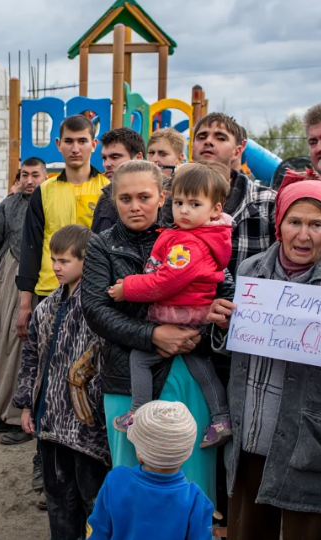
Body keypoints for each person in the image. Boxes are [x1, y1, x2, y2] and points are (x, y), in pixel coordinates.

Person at [206, 180, 321, 540]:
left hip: (308, 436)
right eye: (294, 222)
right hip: (253, 428)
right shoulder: (251, 270)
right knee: (247, 528)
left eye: (316, 225)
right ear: (279, 224)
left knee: (308, 530)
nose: (304, 235)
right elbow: (234, 345)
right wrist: (222, 325)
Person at [81, 160, 221, 504]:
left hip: (186, 372)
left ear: (162, 196)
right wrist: (153, 335)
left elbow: (221, 287)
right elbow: (96, 311)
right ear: (113, 200)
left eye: (144, 196)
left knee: (192, 482)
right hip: (127, 379)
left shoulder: (190, 235)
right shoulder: (101, 245)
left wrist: (203, 327)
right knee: (132, 488)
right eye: (125, 198)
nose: (134, 206)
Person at [108, 162, 233, 448]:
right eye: (179, 202)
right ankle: (221, 419)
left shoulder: (189, 244)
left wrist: (127, 288)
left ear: (214, 210)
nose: (184, 210)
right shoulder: (198, 236)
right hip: (193, 314)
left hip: (181, 314)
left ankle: (138, 413)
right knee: (201, 368)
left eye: (194, 203)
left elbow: (165, 281)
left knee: (140, 359)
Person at [11, 224, 106, 539]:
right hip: (50, 424)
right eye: (53, 259)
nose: (56, 266)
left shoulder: (97, 305)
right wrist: (25, 404)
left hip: (87, 430)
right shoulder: (45, 307)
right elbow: (31, 359)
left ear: (85, 260)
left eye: (64, 260)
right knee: (58, 502)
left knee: (93, 502)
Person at [18, 114, 110, 337]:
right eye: (69, 141)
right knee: (47, 365)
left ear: (94, 145)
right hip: (50, 291)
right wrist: (24, 305)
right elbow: (31, 246)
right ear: (58, 145)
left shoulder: (108, 190)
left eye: (82, 141)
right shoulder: (44, 191)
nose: (75, 148)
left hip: (95, 294)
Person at [0, 158, 47, 441]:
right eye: (24, 175)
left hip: (34, 277)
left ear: (45, 176)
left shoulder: (48, 200)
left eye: (35, 175)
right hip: (5, 277)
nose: (29, 180)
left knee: (23, 345)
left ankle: (19, 416)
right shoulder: (9, 203)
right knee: (1, 342)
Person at [86, 400, 214, 540]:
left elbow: (97, 532)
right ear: (186, 454)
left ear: (140, 454)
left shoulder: (116, 480)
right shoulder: (196, 500)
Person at [191, 113, 277, 277]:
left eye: (220, 138)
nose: (208, 141)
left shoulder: (267, 203)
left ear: (238, 150)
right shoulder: (168, 198)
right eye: (202, 137)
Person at [91, 127, 145, 234]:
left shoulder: (157, 198)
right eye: (104, 158)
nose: (106, 164)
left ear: (138, 158)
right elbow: (94, 242)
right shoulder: (104, 199)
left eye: (115, 157)